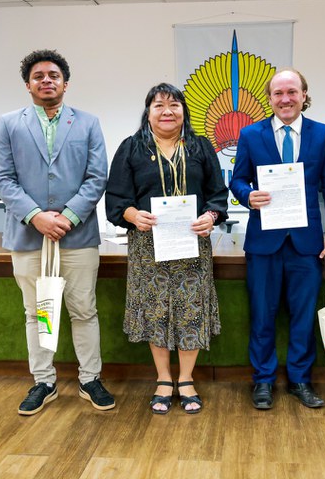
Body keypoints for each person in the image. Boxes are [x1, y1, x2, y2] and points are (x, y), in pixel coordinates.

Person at [0, 49, 115, 416]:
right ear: (28, 85)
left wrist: (68, 217)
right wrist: (36, 216)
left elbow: (97, 178)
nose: (47, 80)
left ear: (66, 83)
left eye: (54, 75)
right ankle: (43, 382)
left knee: (83, 310)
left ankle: (90, 379)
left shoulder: (88, 123)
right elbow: (2, 179)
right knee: (39, 311)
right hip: (29, 237)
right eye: (39, 76)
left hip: (77, 237)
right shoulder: (8, 124)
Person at [105, 83, 228, 415]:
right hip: (148, 245)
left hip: (192, 243)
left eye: (174, 104)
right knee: (156, 310)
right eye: (159, 105)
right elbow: (116, 199)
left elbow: (219, 194)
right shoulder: (131, 148)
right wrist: (132, 214)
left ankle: (186, 379)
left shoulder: (201, 147)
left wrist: (211, 215)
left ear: (184, 111)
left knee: (191, 309)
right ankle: (163, 379)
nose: (167, 111)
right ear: (148, 112)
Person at [230, 68, 325, 410]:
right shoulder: (251, 135)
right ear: (270, 98)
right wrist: (247, 195)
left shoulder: (323, 135)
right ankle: (263, 381)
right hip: (264, 243)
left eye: (292, 92)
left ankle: (300, 380)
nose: (286, 99)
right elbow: (237, 181)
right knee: (262, 315)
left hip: (307, 244)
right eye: (278, 93)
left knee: (302, 316)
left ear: (304, 95)